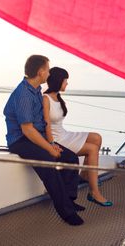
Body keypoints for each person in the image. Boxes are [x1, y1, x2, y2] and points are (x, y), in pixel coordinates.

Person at [4, 55, 84, 225]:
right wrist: (49, 148)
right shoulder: (24, 94)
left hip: (35, 137)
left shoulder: (36, 90)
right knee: (49, 161)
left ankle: (69, 200)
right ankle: (66, 213)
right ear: (40, 72)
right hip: (20, 140)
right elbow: (27, 130)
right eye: (48, 69)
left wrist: (52, 143)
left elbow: (41, 124)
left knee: (71, 158)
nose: (49, 73)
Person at [43, 66, 113, 207]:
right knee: (92, 149)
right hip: (57, 139)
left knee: (97, 137)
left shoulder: (57, 97)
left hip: (64, 133)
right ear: (58, 81)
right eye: (65, 81)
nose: (67, 83)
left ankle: (84, 176)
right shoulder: (45, 98)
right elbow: (46, 125)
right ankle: (94, 193)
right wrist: (51, 144)